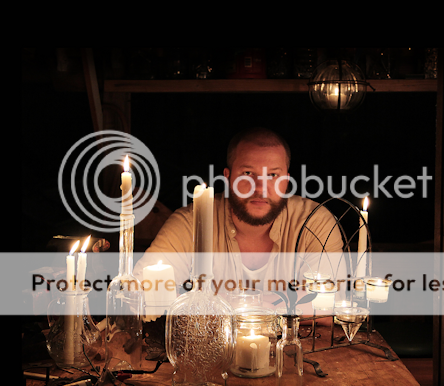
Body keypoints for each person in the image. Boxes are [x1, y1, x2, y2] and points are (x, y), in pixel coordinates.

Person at [134, 127, 345, 309]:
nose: (260, 188)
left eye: (273, 175)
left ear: (286, 180)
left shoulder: (314, 221)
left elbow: (329, 303)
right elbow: (140, 292)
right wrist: (284, 305)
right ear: (228, 176)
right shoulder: (192, 222)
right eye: (248, 173)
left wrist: (223, 304)